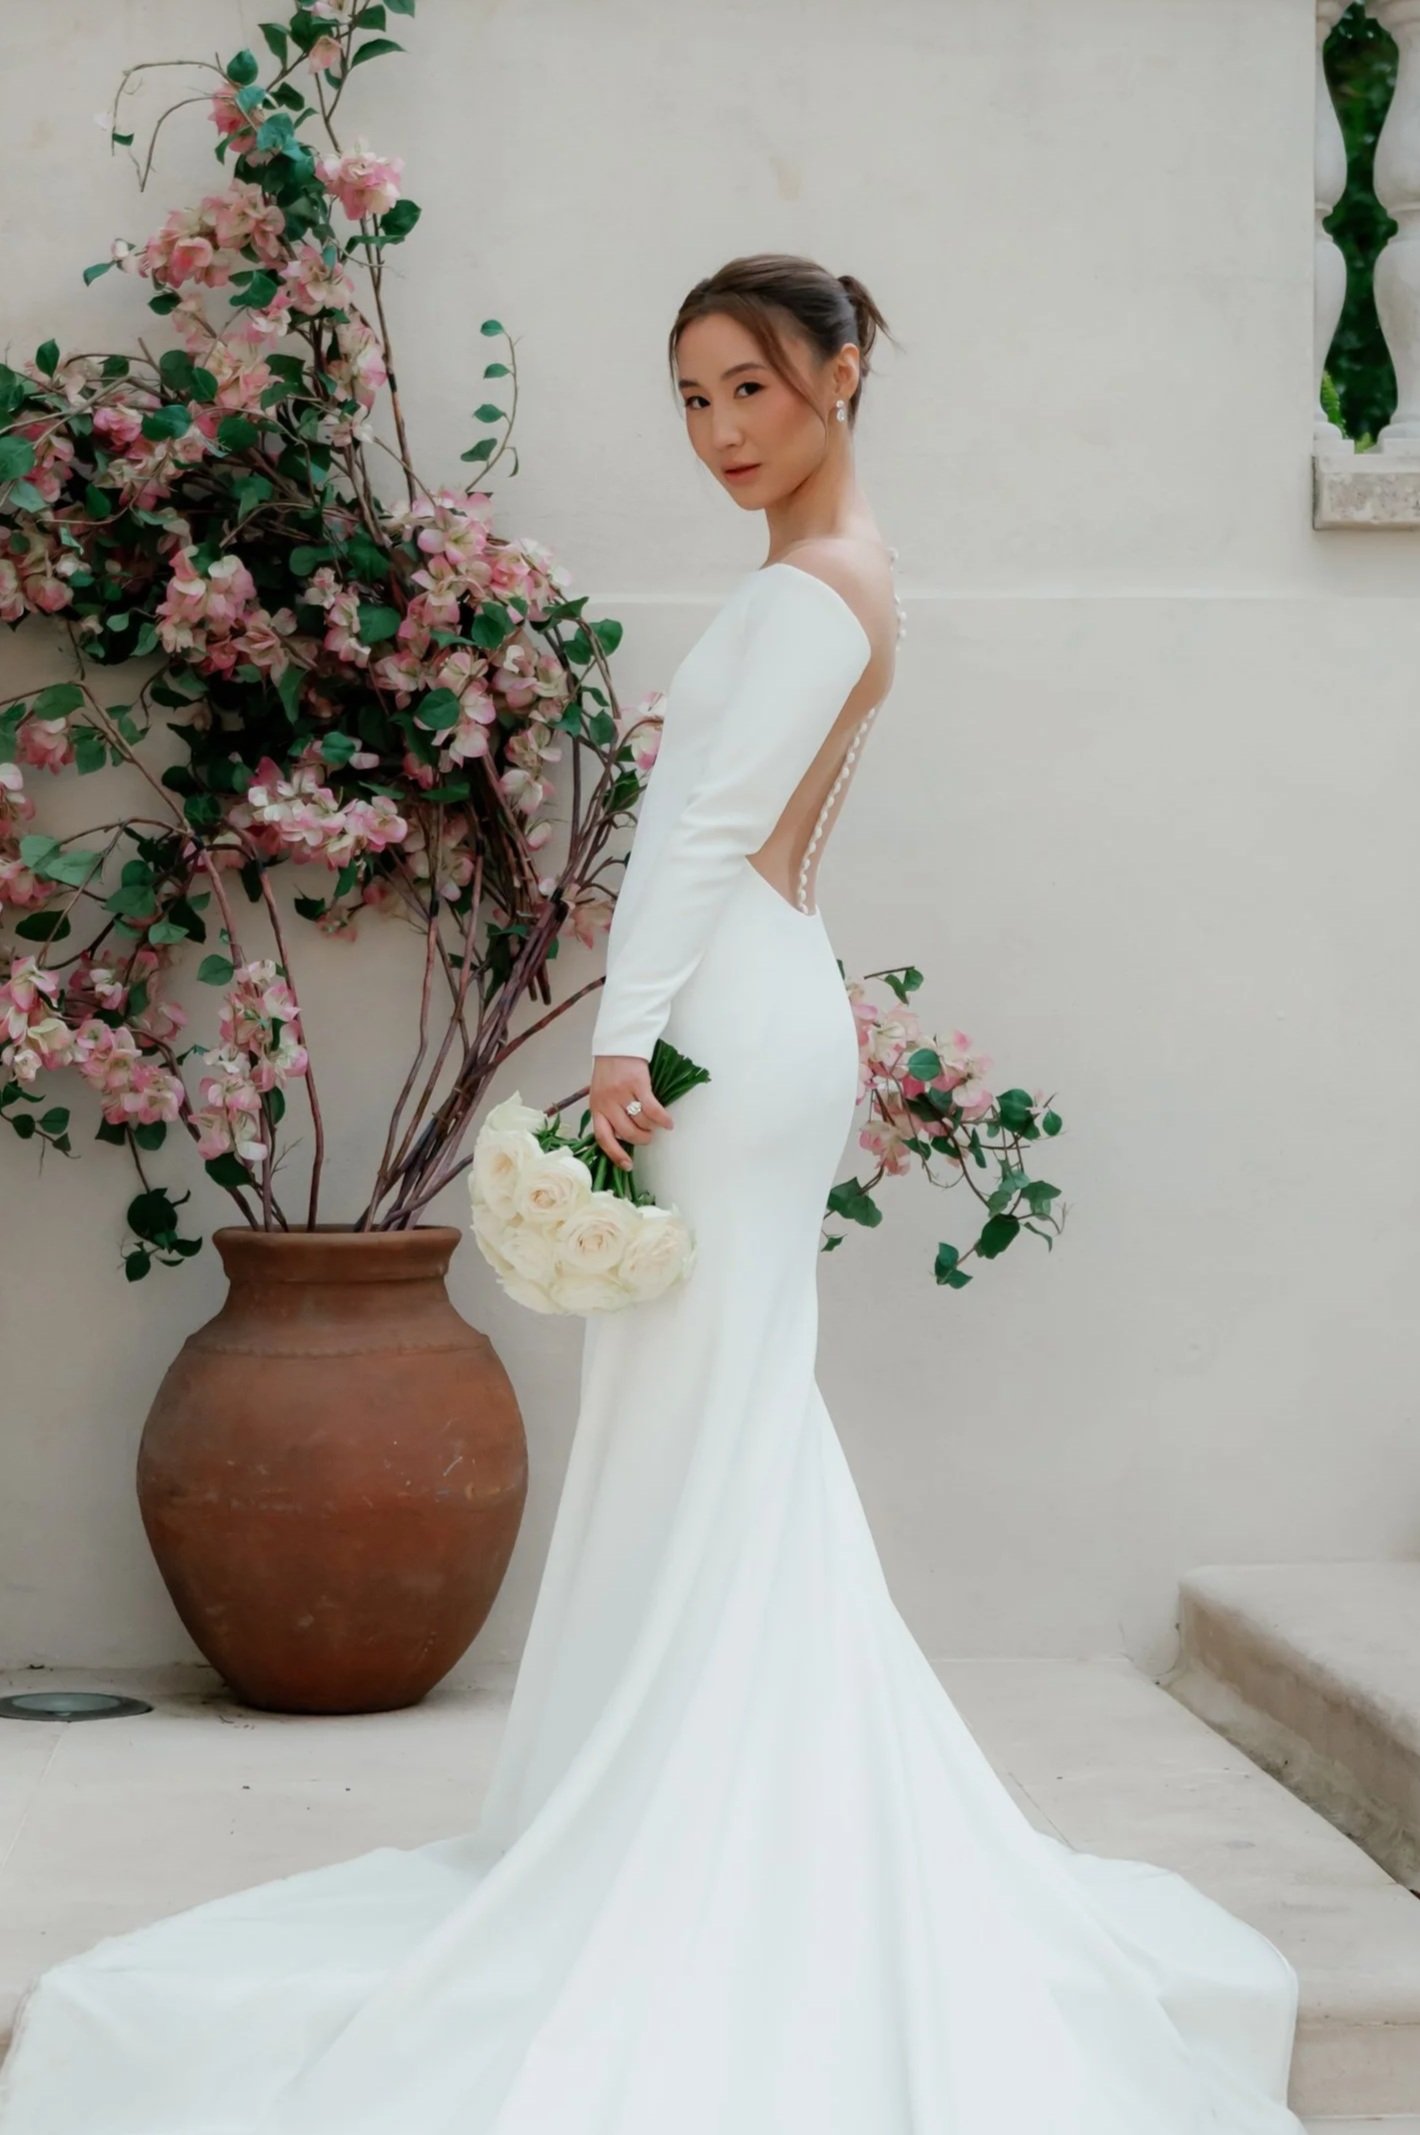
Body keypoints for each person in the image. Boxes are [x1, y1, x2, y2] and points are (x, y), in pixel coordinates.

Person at [0, 254, 1306, 2134]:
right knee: (716, 1419)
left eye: (749, 391)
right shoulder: (854, 580)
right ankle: (681, 1784)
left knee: (717, 1421)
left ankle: (705, 1813)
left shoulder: (810, 595)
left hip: (732, 1019)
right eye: (691, 402)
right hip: (767, 1005)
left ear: (842, 375)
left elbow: (698, 832)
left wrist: (624, 1044)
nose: (718, 434)